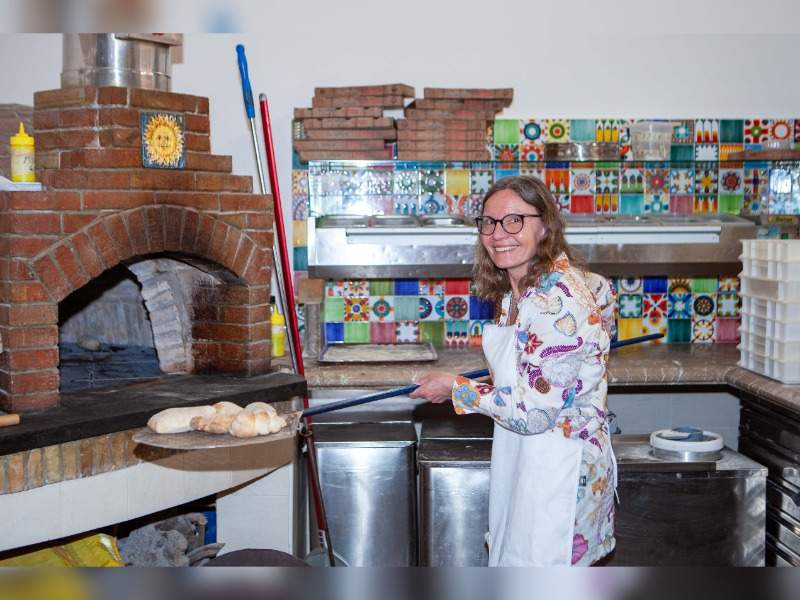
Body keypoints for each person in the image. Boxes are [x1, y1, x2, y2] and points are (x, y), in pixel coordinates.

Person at [409, 175, 618, 566]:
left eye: (514, 220)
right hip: (527, 462)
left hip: (561, 472)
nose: (498, 233)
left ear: (545, 226)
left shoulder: (555, 299)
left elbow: (533, 413)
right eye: (488, 222)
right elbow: (534, 375)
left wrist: (457, 388)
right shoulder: (517, 292)